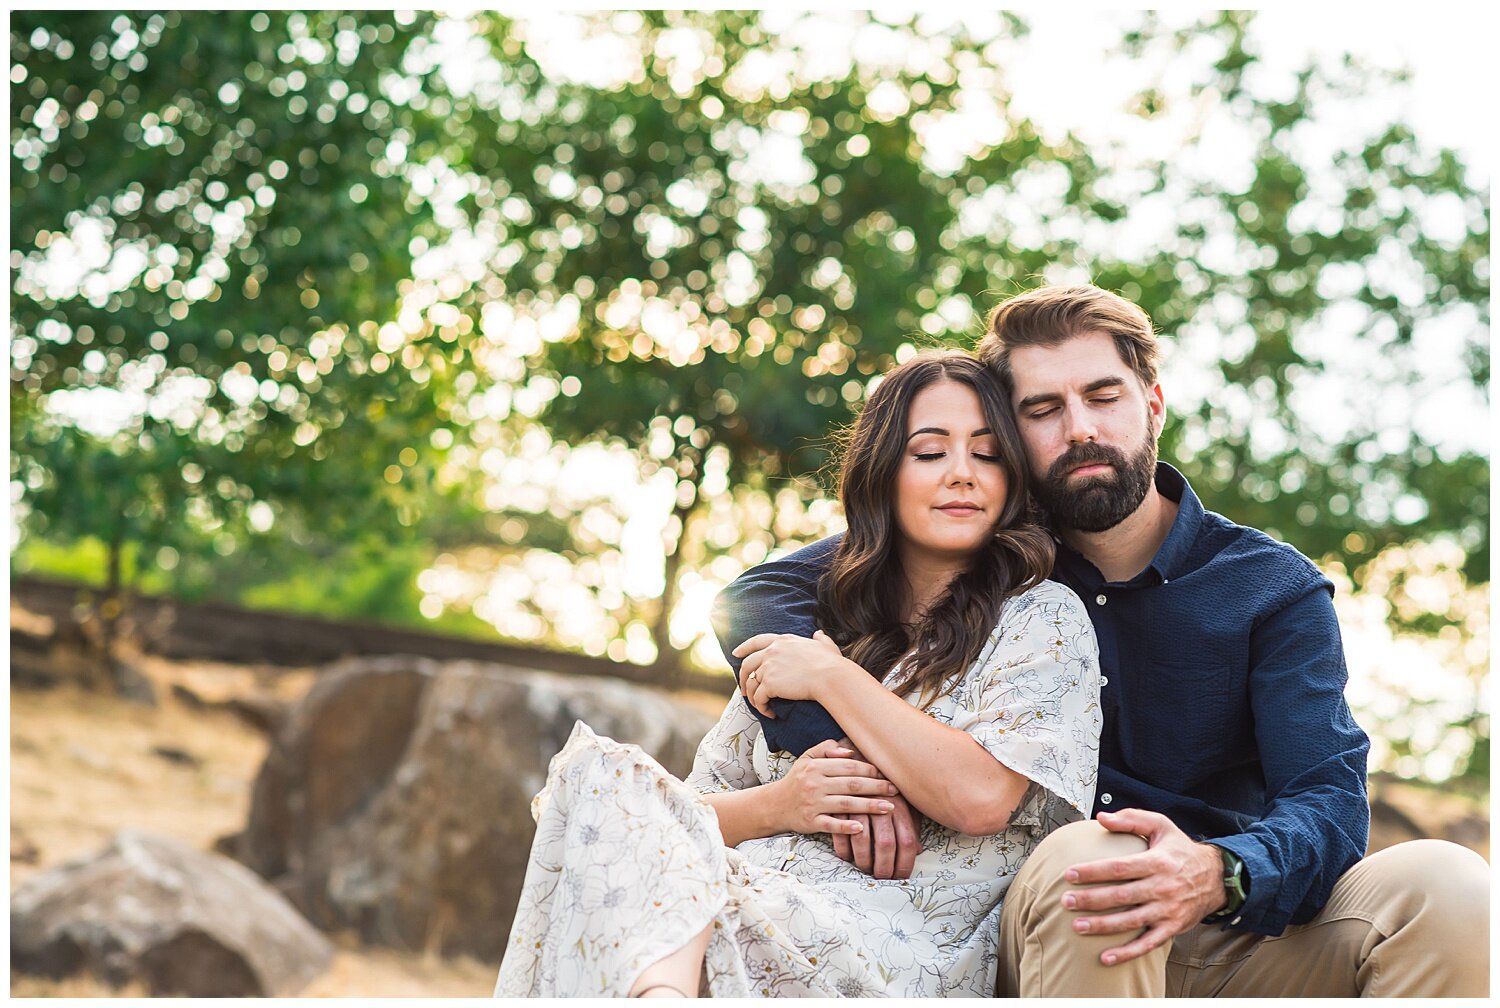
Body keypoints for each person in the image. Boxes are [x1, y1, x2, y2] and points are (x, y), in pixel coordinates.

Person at [714, 285, 1490, 998]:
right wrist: (861, 769)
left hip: (1231, 929)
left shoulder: (1269, 587)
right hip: (1045, 922)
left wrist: (1222, 870)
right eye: (1043, 408)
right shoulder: (990, 550)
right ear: (1012, 435)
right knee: (1098, 861)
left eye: (1103, 396)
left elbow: (1325, 801)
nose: (1080, 428)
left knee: (1448, 883)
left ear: (1152, 403)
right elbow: (757, 596)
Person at [494, 350, 1102, 997]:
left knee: (650, 918)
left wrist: (832, 678)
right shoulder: (819, 620)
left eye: (987, 455)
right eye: (930, 453)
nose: (963, 474)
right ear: (883, 473)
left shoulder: (1041, 618)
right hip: (723, 903)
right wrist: (783, 803)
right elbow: (682, 814)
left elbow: (983, 798)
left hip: (870, 946)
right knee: (600, 779)